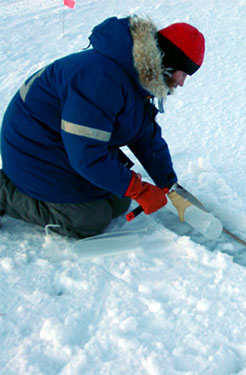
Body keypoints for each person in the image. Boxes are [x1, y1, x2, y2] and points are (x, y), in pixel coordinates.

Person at [0, 15, 205, 238]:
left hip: (63, 146)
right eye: (183, 73)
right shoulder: (101, 79)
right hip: (33, 150)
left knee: (118, 202)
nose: (183, 82)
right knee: (87, 220)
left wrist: (168, 183)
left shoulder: (137, 76)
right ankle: (5, 190)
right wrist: (140, 189)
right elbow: (86, 155)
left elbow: (145, 135)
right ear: (168, 62)